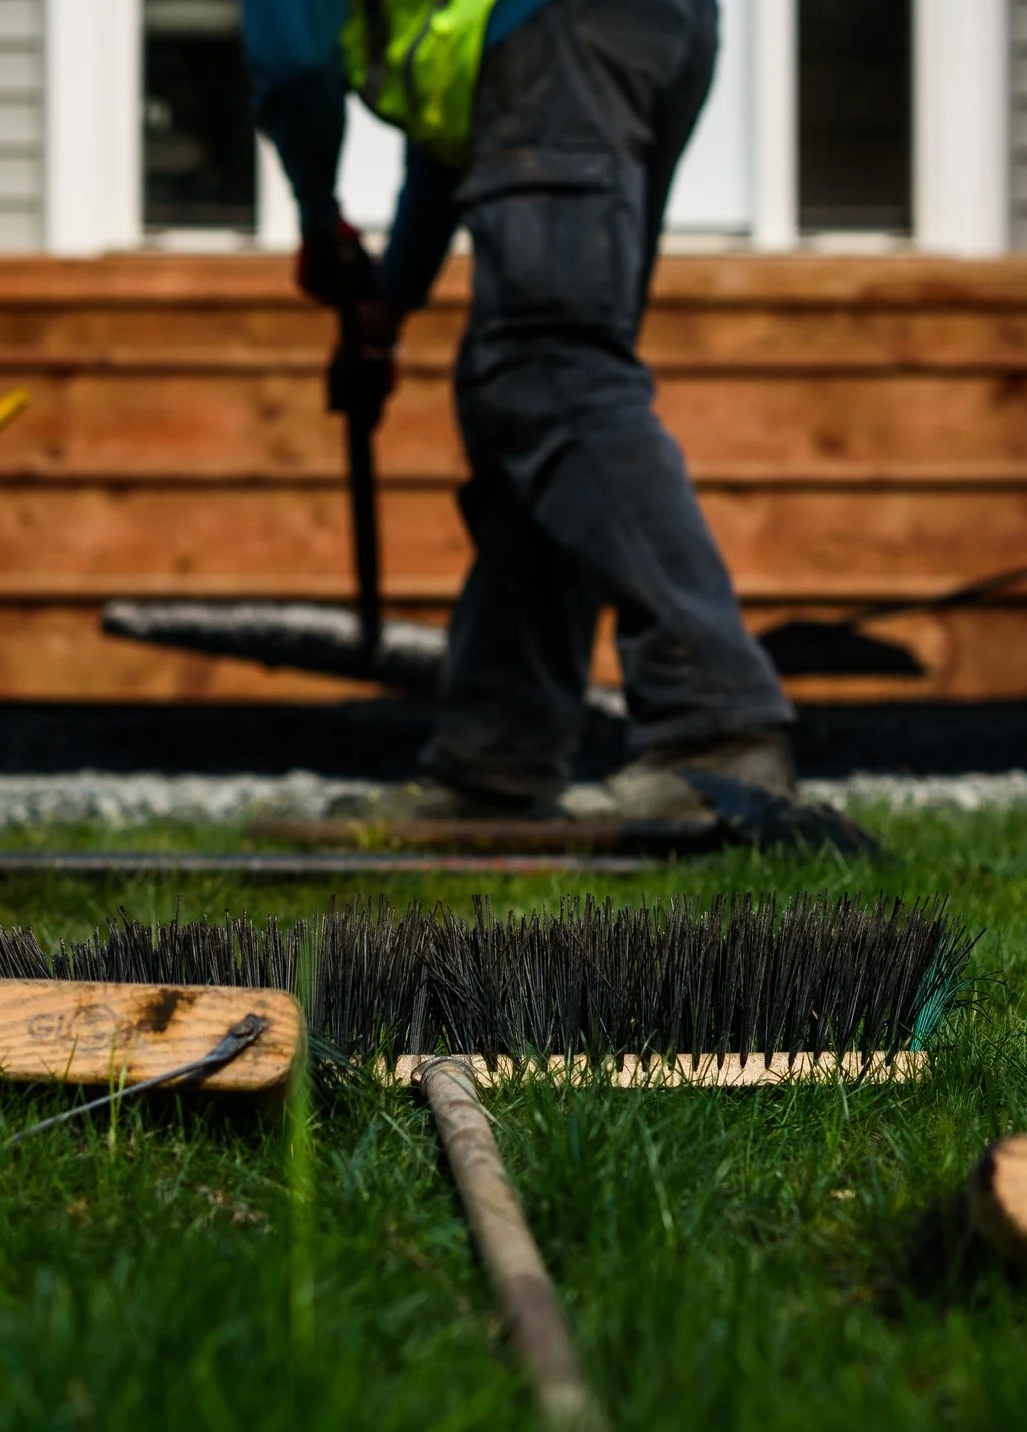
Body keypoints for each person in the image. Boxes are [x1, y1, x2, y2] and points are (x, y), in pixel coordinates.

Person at [242, 0, 795, 821]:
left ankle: (718, 728)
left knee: (550, 366)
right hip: (634, 35)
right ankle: (497, 758)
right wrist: (388, 309)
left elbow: (294, 63)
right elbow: (455, 143)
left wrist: (319, 216)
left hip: (560, 34)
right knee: (532, 387)